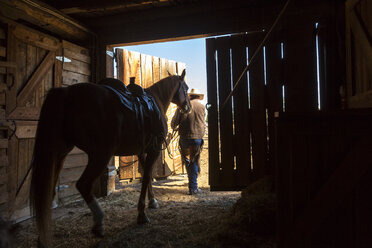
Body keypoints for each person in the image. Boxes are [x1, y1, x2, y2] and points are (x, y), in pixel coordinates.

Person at [171, 88, 206, 195]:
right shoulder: (202, 107)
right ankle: (193, 187)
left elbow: (173, 124)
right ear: (198, 97)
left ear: (189, 96)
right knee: (194, 161)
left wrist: (177, 127)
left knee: (187, 162)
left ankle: (192, 186)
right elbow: (203, 122)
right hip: (197, 138)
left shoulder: (183, 106)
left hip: (185, 138)